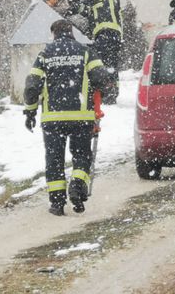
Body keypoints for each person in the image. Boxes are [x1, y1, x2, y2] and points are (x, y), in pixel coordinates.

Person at [23, 20, 111, 216]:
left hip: (53, 119)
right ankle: (78, 186)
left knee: (54, 159)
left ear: (53, 34)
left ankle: (57, 203)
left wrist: (30, 112)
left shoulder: (45, 55)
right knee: (82, 155)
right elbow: (102, 78)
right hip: (81, 116)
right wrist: (102, 93)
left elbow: (32, 86)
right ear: (72, 33)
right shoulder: (85, 52)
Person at [55, 0, 124, 104]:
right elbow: (86, 11)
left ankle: (107, 92)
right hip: (111, 35)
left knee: (102, 63)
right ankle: (110, 92)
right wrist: (72, 0)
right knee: (109, 63)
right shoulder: (104, 1)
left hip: (106, 33)